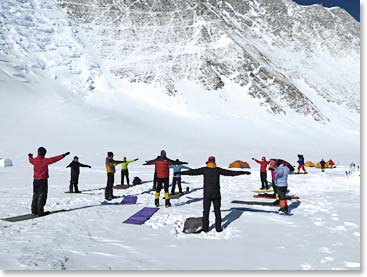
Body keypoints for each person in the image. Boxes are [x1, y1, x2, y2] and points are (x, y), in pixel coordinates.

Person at [181, 156, 251, 233]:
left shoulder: (204, 169)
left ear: (208, 162)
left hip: (207, 194)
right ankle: (218, 228)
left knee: (206, 211)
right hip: (216, 194)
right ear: (214, 162)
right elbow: (230, 173)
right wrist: (243, 172)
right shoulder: (218, 170)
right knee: (217, 211)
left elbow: (192, 172)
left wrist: (181, 173)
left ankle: (205, 228)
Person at [28, 147, 69, 216]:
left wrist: (30, 156)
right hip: (43, 181)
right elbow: (55, 159)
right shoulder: (45, 160)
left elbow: (30, 160)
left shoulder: (34, 160)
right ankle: (40, 211)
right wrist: (63, 155)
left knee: (35, 195)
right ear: (44, 153)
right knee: (42, 196)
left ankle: (34, 210)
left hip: (35, 181)